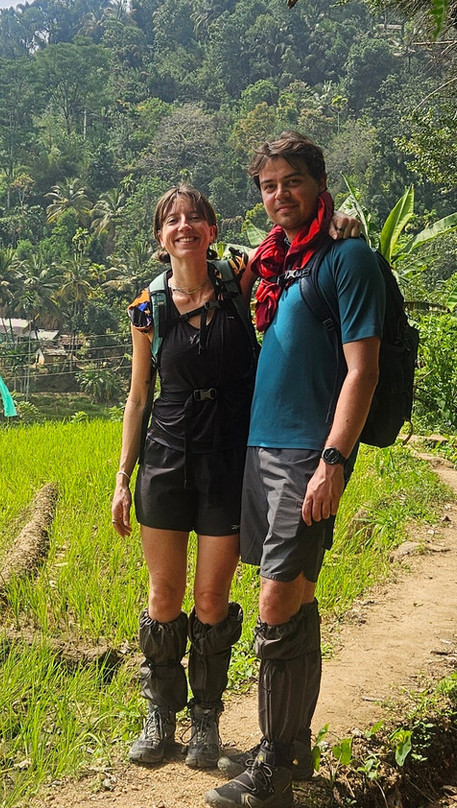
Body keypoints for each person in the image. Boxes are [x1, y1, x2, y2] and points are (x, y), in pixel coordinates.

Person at [112, 184, 361, 771]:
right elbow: (138, 396)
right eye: (172, 220)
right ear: (160, 237)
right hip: (165, 461)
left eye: (194, 217)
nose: (184, 226)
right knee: (164, 595)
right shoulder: (147, 307)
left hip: (226, 460)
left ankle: (206, 718)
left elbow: (294, 245)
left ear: (212, 229)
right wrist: (123, 477)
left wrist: (339, 225)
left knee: (211, 598)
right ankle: (160, 714)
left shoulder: (236, 278)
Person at [205, 132, 385, 808]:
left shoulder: (348, 259)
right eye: (268, 186)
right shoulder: (275, 263)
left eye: (292, 182)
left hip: (309, 452)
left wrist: (333, 460)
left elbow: (362, 371)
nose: (280, 195)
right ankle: (295, 748)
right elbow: (208, 281)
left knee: (276, 600)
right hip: (261, 448)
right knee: (296, 596)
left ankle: (272, 767)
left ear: (318, 184)